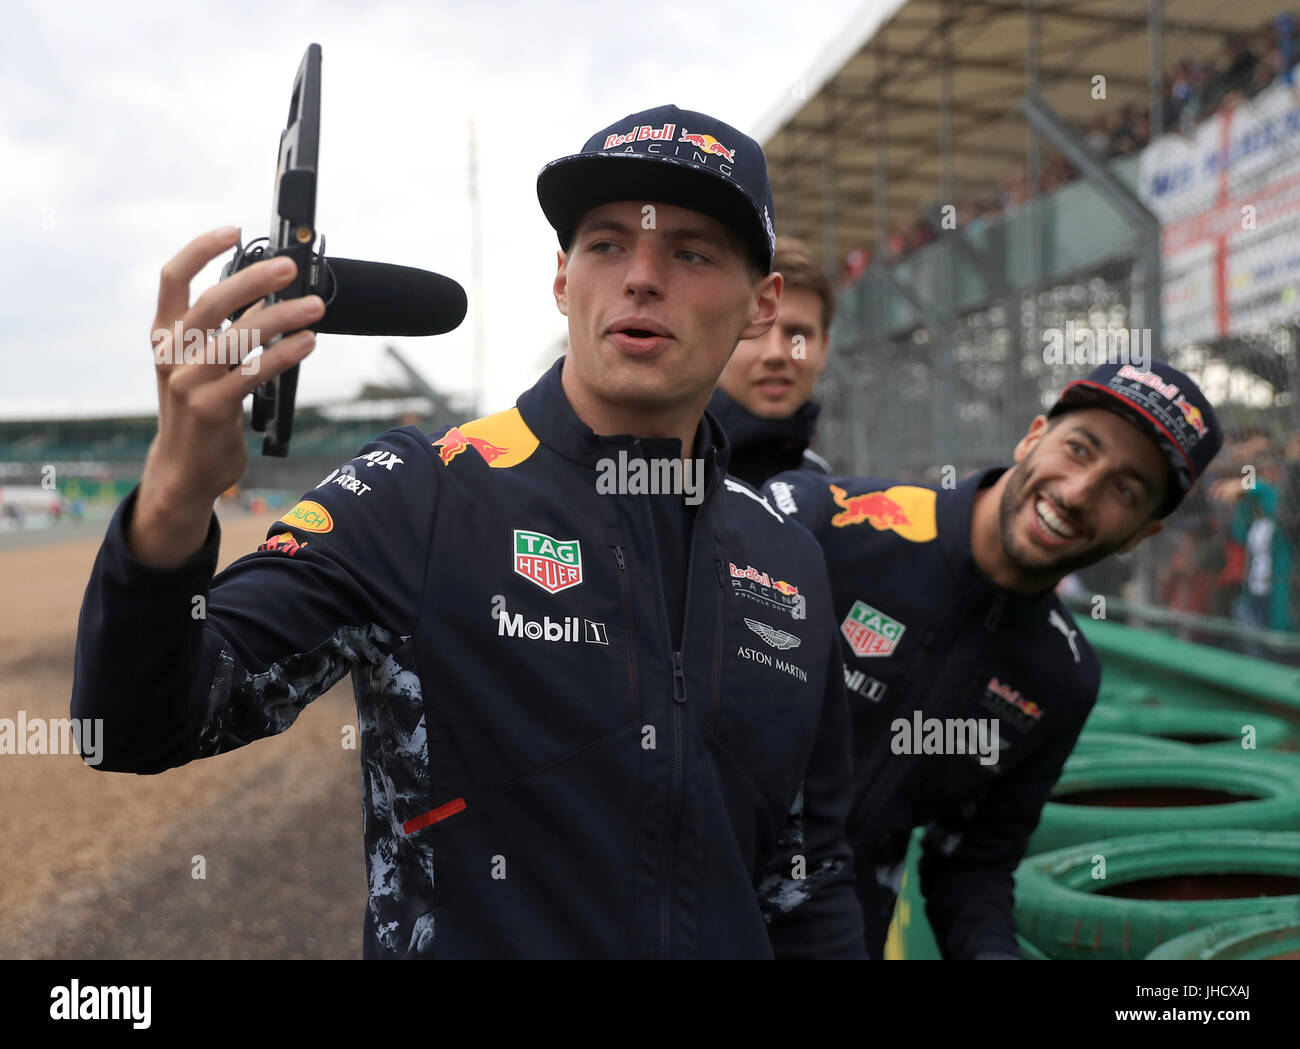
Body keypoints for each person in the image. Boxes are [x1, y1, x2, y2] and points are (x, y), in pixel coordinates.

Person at [70, 104, 865, 959]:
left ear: (762, 302)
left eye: (691, 252)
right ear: (563, 278)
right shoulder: (423, 492)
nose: (640, 276)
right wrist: (171, 504)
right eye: (605, 244)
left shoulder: (788, 560)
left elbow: (808, 884)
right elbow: (135, 727)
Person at [764, 359, 1223, 959]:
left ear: (1141, 534)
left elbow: (973, 866)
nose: (1079, 492)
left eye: (1125, 489)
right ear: (1033, 436)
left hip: (837, 936)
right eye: (1080, 450)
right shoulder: (820, 520)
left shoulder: (1063, 679)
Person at [708, 236, 834, 487]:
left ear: (824, 349)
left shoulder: (824, 482)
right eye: (756, 330)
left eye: (797, 334)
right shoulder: (661, 475)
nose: (775, 354)